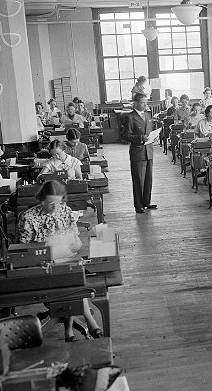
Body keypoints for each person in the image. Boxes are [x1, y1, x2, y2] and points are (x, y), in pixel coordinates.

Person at [17, 180, 104, 341]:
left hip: (65, 260)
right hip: (41, 268)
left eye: (58, 203)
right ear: (41, 199)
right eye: (50, 204)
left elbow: (75, 241)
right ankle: (87, 321)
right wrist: (44, 253)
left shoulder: (65, 211)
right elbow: (23, 252)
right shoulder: (28, 217)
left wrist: (74, 243)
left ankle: (69, 331)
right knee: (72, 280)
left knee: (72, 276)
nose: (55, 207)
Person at [123, 92, 157, 214]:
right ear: (136, 103)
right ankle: (138, 205)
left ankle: (146, 201)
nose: (145, 105)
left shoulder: (147, 115)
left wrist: (154, 137)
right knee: (138, 179)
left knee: (148, 178)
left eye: (146, 102)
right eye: (143, 103)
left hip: (149, 151)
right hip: (138, 152)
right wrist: (140, 138)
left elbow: (149, 131)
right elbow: (126, 136)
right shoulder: (130, 117)